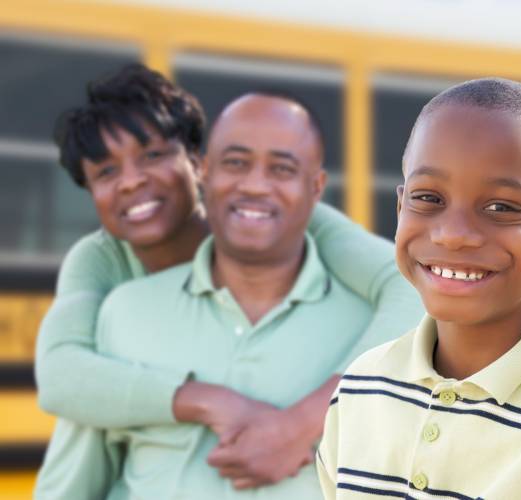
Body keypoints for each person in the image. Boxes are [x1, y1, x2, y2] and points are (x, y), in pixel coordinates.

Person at [34, 65, 423, 499]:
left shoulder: (297, 224)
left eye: (153, 155)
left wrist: (304, 423)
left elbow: (412, 285)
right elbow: (64, 378)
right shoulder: (107, 279)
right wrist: (206, 400)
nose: (132, 181)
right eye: (105, 172)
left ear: (195, 164)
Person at [317, 77, 521, 499]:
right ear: (399, 209)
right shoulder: (363, 385)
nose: (453, 235)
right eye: (428, 198)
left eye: (502, 207)